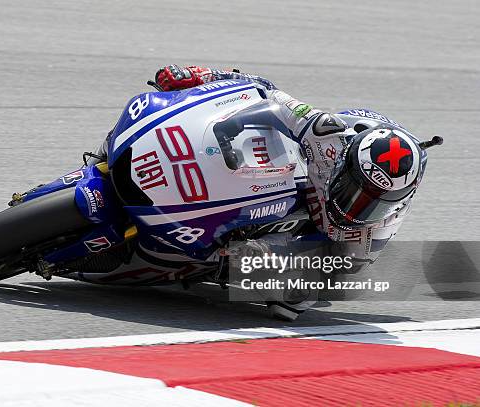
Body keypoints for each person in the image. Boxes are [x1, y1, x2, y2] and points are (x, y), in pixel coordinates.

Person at [152, 65, 430, 320]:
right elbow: (265, 91)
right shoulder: (326, 134)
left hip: (313, 234)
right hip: (304, 168)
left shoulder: (377, 230)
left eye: (372, 204)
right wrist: (201, 76)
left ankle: (216, 259)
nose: (355, 208)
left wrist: (263, 261)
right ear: (343, 164)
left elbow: (335, 270)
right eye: (353, 191)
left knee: (291, 302)